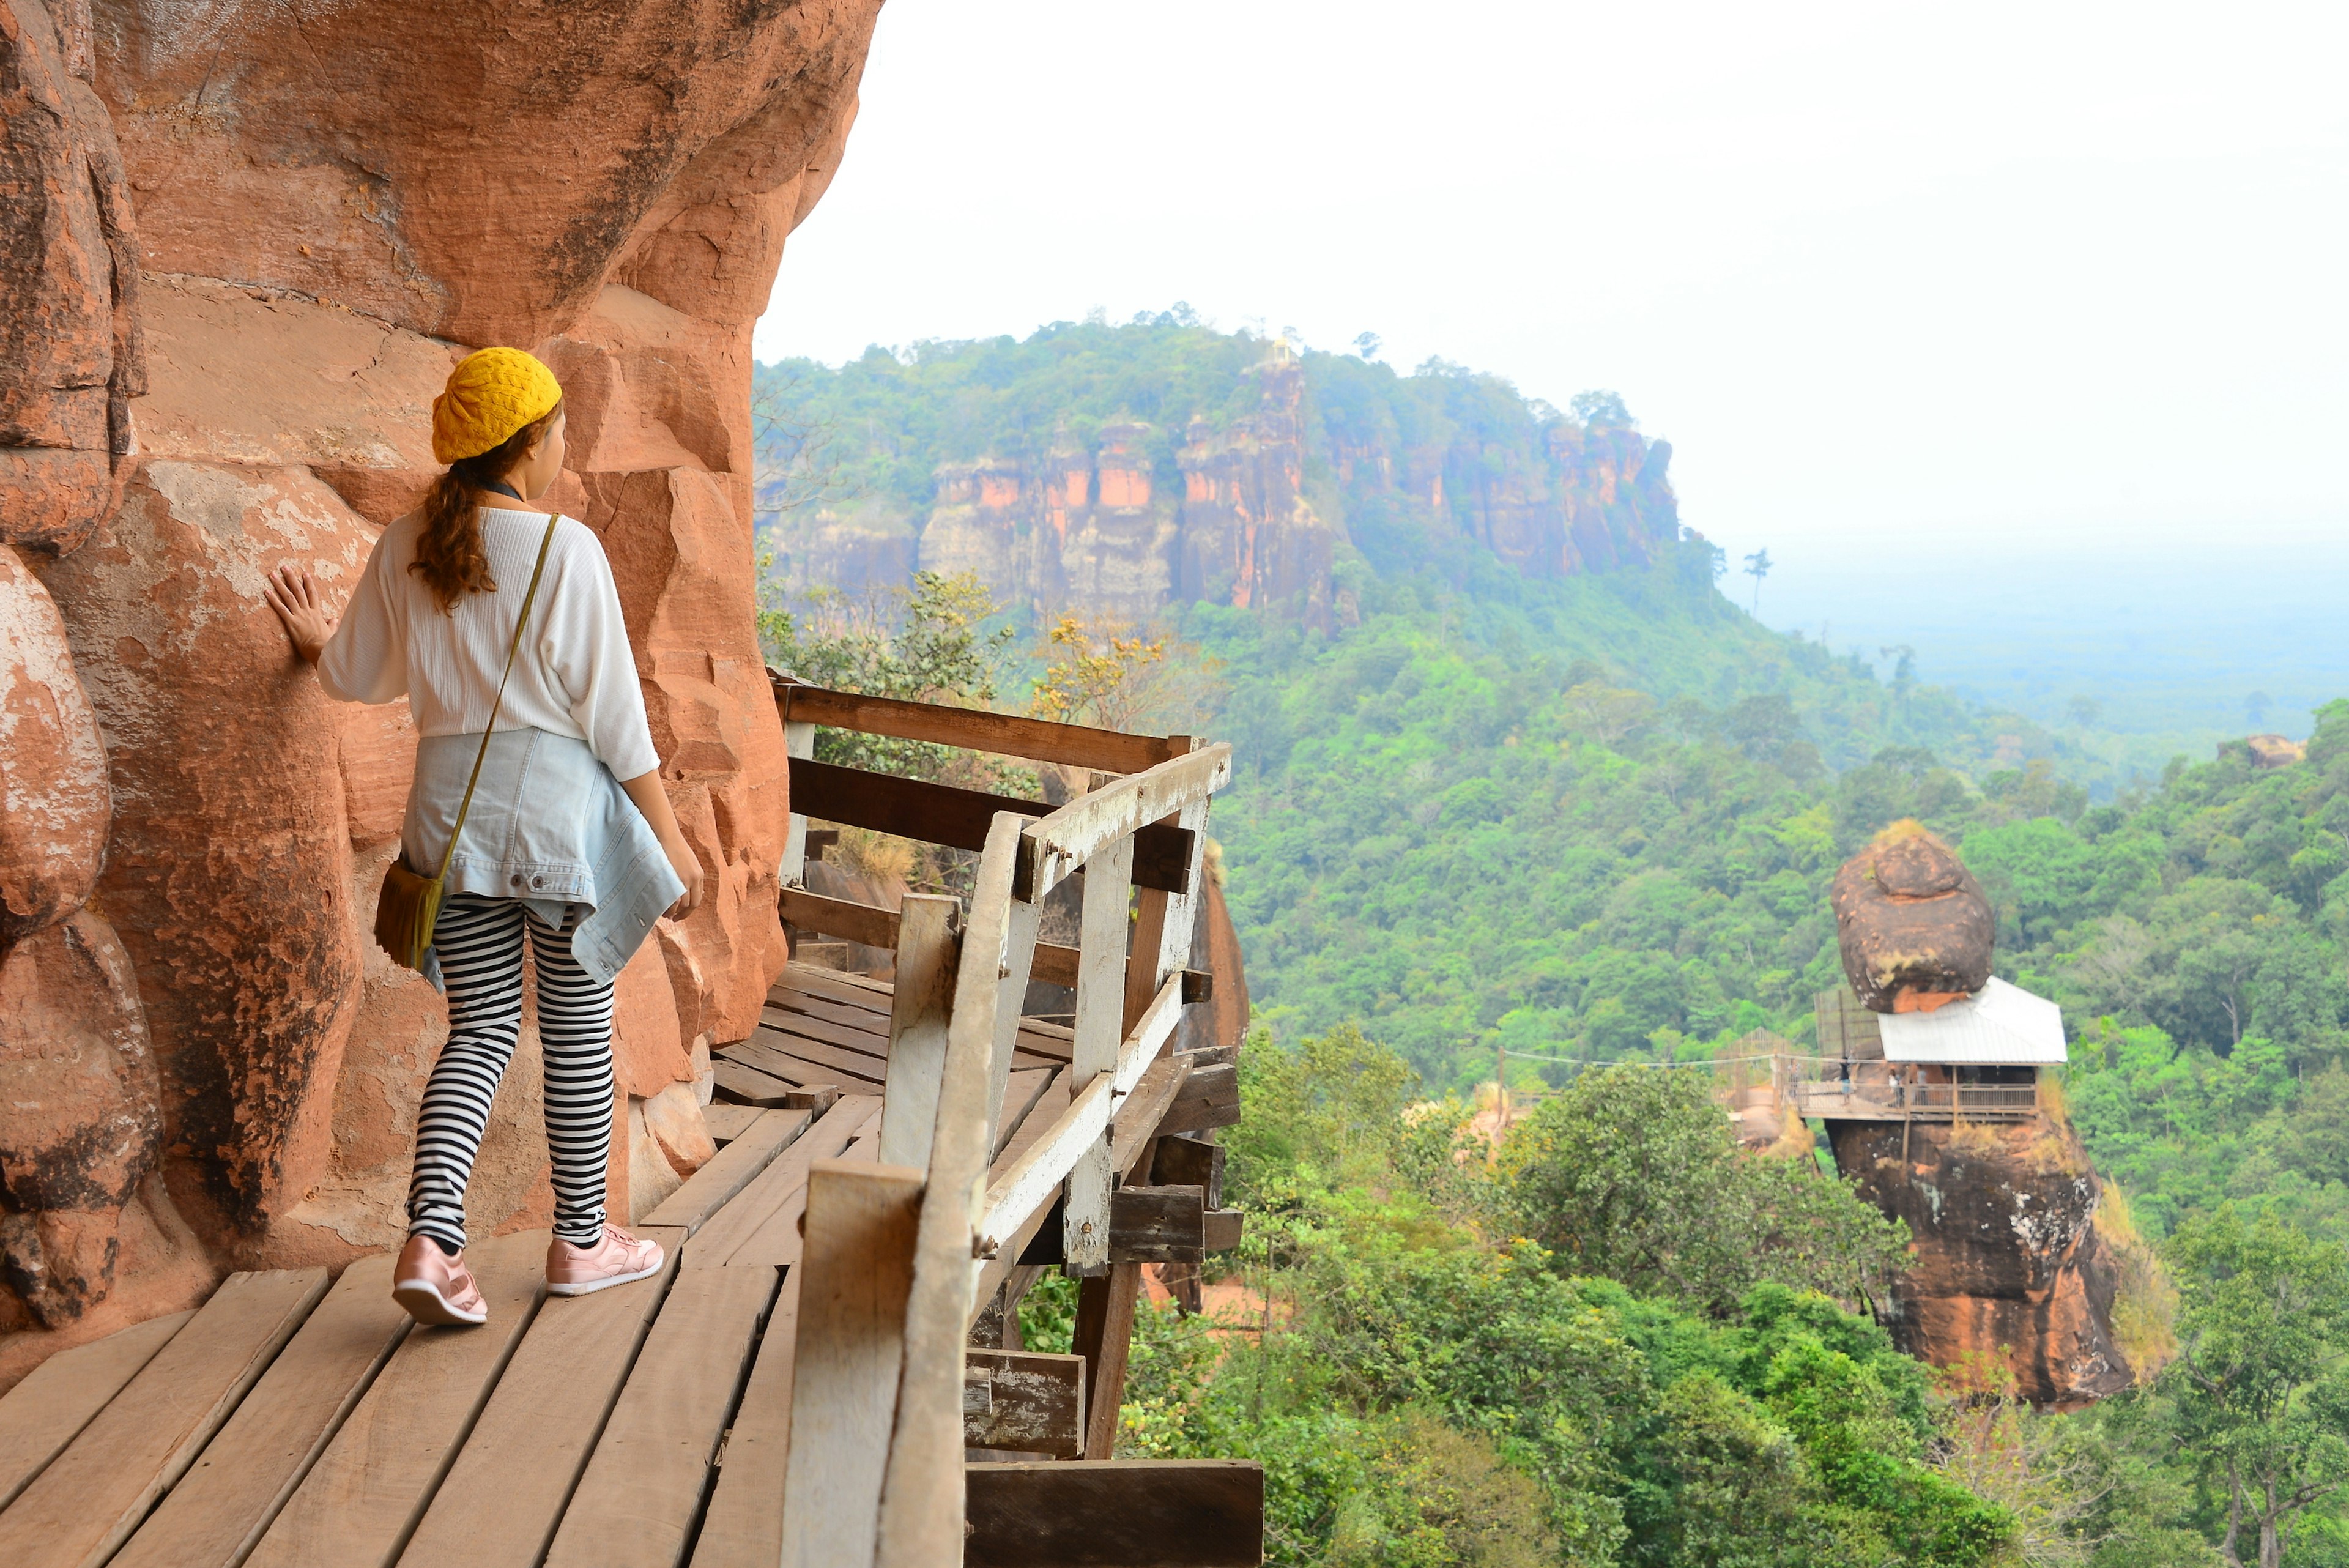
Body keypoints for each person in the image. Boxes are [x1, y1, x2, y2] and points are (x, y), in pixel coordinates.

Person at [264, 346, 705, 1326]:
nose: (564, 447)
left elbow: (358, 678)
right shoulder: (564, 550)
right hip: (553, 830)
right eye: (559, 432)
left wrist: (312, 645)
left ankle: (431, 1243)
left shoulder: (406, 542)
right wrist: (672, 844)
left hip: (445, 827)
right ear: (531, 441)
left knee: (481, 1029)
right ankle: (583, 1244)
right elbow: (616, 723)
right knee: (580, 1029)